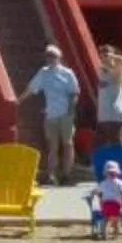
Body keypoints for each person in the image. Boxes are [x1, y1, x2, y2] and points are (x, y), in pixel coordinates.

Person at [25, 45, 83, 186]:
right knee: (52, 145)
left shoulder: (67, 73)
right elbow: (32, 88)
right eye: (48, 56)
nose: (50, 59)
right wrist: (20, 100)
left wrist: (70, 110)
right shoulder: (43, 73)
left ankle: (67, 174)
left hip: (65, 114)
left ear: (59, 58)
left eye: (53, 56)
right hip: (51, 114)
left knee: (68, 144)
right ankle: (51, 174)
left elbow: (75, 93)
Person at [93, 46, 122, 148]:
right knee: (100, 147)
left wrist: (111, 56)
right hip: (103, 115)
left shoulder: (117, 71)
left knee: (117, 145)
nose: (104, 57)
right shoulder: (102, 71)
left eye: (106, 54)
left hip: (115, 114)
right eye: (102, 54)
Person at [91, 154, 122, 239]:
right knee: (117, 219)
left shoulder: (103, 183)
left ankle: (104, 233)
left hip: (106, 204)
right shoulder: (120, 183)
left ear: (106, 173)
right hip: (116, 203)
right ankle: (116, 234)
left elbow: (97, 191)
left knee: (106, 219)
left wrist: (95, 195)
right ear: (117, 173)